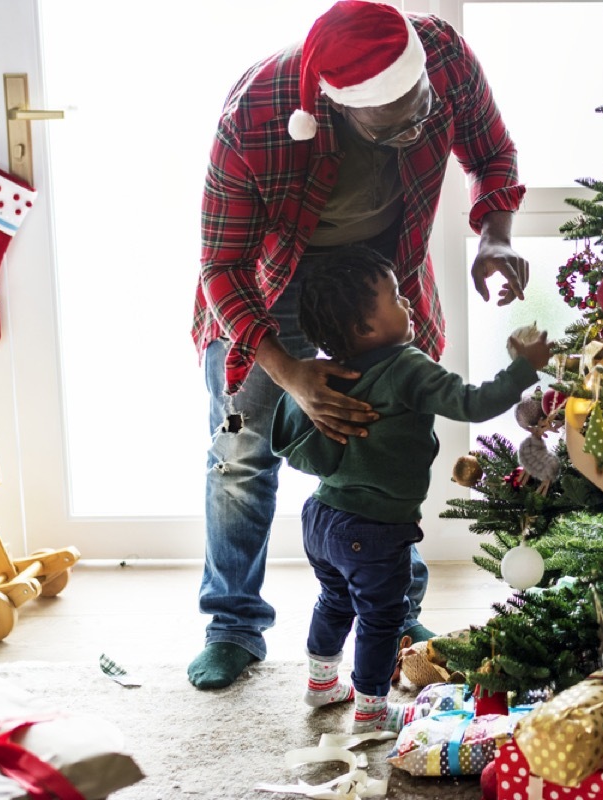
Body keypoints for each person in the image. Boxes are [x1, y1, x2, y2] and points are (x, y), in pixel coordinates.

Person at [188, 0, 530, 690]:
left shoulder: (442, 58)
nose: (418, 122)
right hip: (269, 287)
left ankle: (397, 614)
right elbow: (220, 265)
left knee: (390, 438)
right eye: (395, 120)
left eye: (421, 104)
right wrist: (287, 373)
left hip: (381, 276)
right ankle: (232, 625)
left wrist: (494, 236)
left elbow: (491, 154)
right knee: (242, 454)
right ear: (338, 106)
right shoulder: (255, 116)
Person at [271, 245, 551, 731]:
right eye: (397, 298)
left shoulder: (325, 370)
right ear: (364, 327)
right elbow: (472, 402)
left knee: (334, 601)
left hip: (320, 516)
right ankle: (373, 711)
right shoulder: (406, 366)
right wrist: (523, 368)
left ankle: (321, 686)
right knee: (382, 619)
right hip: (375, 529)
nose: (407, 306)